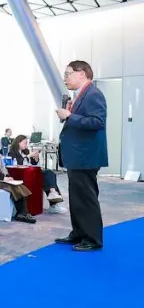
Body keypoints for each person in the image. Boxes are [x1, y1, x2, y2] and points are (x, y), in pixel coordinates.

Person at [55, 60, 106, 251]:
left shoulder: (93, 94)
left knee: (86, 198)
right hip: (77, 157)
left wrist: (70, 116)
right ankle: (79, 233)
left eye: (67, 74)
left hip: (85, 157)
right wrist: (70, 115)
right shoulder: (80, 95)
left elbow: (97, 122)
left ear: (81, 73)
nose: (65, 78)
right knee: (77, 198)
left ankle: (92, 239)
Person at [0, 135, 36, 224]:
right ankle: (22, 214)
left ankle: (22, 213)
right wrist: (3, 177)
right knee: (13, 187)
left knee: (20, 186)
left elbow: (3, 167)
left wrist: (8, 175)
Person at [8, 135, 65, 214]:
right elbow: (17, 162)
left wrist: (35, 158)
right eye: (25, 143)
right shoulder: (12, 152)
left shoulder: (26, 151)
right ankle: (53, 203)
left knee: (49, 174)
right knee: (46, 177)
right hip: (20, 175)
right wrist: (28, 156)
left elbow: (33, 163)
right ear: (18, 143)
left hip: (30, 173)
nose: (26, 145)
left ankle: (53, 193)